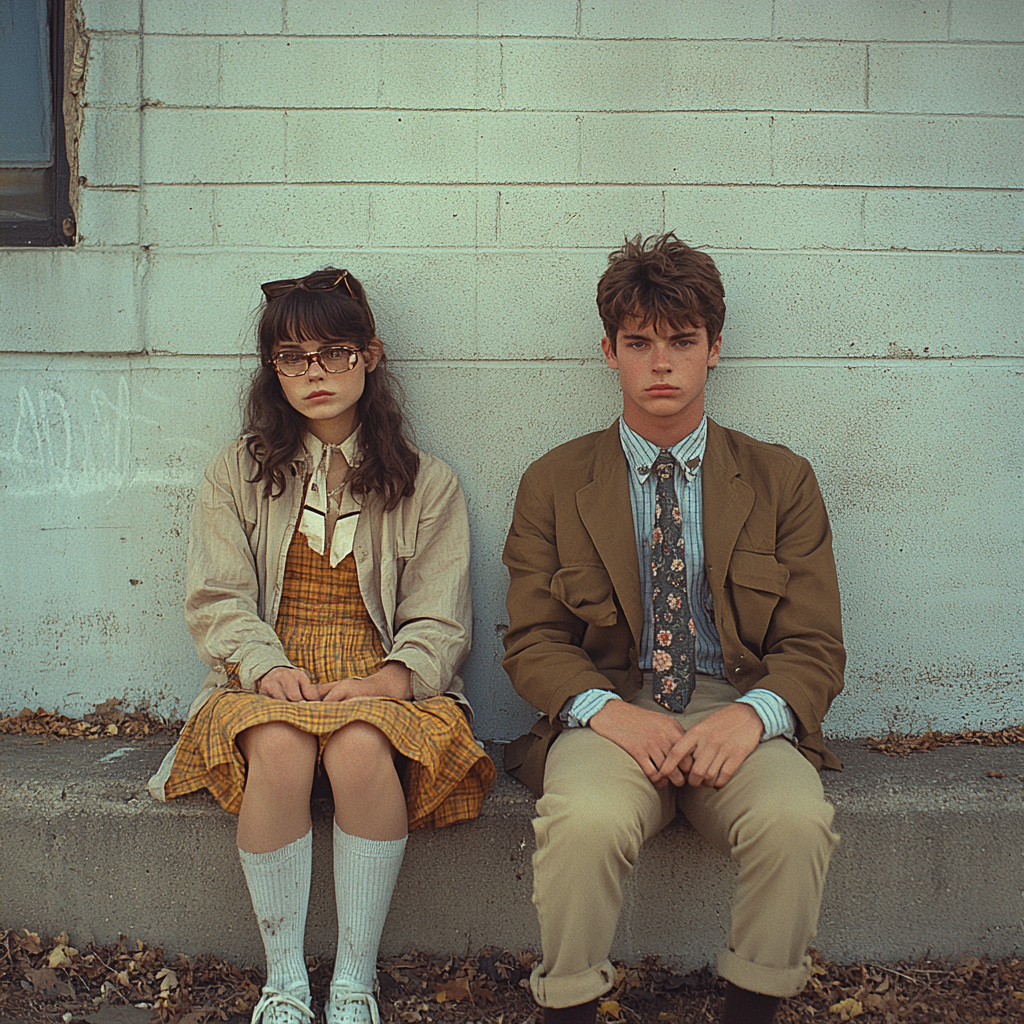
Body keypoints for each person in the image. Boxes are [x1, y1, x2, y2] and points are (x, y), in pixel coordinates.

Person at [502, 233, 845, 1024]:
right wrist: (608, 714)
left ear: (715, 349)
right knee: (581, 822)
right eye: (640, 343)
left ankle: (751, 1009)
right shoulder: (555, 482)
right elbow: (533, 640)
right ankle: (569, 1008)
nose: (662, 363)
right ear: (609, 352)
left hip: (739, 709)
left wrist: (752, 716)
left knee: (796, 822)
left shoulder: (779, 478)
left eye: (682, 342)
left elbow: (814, 645)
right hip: (612, 708)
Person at [148, 268, 495, 1024]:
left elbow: (441, 616)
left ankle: (353, 982)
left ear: (369, 356)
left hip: (383, 684)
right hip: (270, 676)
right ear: (272, 369)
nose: (314, 373)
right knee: (278, 748)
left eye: (334, 352)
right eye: (292, 356)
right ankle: (284, 983)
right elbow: (218, 597)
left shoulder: (425, 483)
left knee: (361, 748)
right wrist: (265, 667)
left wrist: (392, 680)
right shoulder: (237, 473)